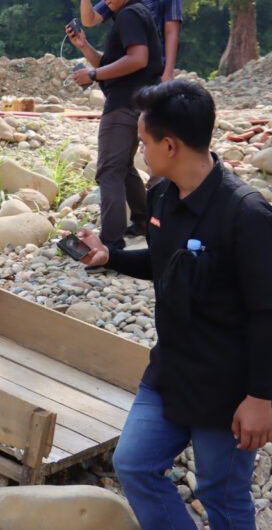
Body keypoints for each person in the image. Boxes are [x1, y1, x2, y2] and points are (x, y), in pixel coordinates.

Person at [77, 80, 272, 529]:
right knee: (135, 464)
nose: (140, 151)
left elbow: (267, 313)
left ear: (170, 144)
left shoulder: (246, 214)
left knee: (222, 497)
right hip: (170, 370)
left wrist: (260, 397)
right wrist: (111, 257)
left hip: (227, 386)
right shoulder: (163, 195)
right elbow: (167, 262)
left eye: (143, 142)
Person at [67, 0, 163, 248]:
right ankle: (145, 220)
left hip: (123, 105)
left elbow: (138, 58)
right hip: (141, 103)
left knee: (109, 170)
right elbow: (113, 63)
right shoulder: (132, 15)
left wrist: (93, 74)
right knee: (124, 167)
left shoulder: (130, 15)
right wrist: (84, 47)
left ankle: (110, 242)